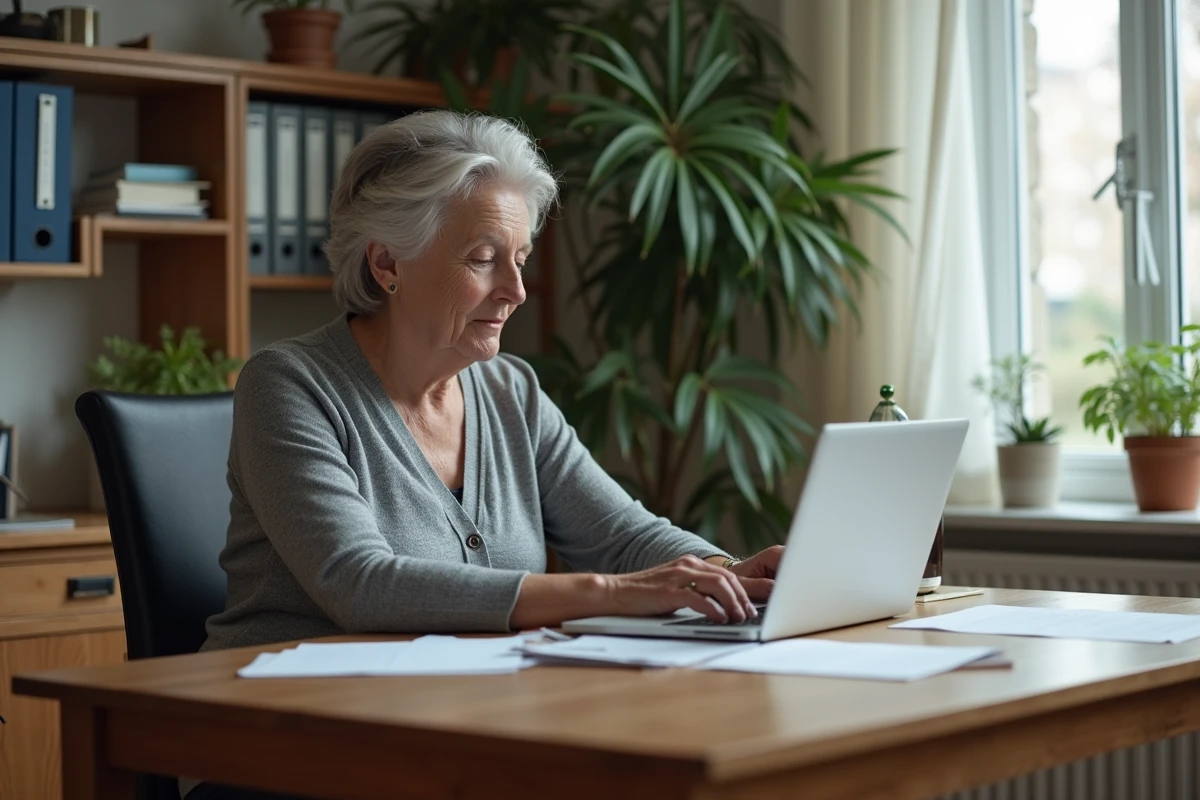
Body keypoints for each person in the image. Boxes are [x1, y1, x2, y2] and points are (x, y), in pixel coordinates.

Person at [183, 110, 783, 800]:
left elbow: (623, 535)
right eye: (482, 258)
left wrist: (732, 573)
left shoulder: (510, 391)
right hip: (282, 750)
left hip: (460, 734)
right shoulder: (288, 385)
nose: (516, 291)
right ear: (386, 263)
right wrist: (612, 595)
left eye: (519, 260)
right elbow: (361, 583)